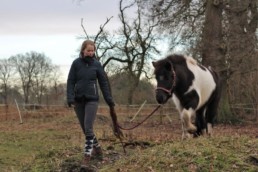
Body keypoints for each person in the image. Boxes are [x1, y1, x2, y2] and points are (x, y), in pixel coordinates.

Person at [66, 40, 115, 167]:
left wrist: (109, 99)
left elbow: (103, 83)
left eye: (93, 51)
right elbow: (70, 81)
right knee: (86, 129)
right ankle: (98, 148)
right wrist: (70, 98)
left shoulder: (97, 65)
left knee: (88, 127)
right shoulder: (76, 63)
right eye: (88, 50)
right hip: (78, 100)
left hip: (92, 100)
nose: (91, 53)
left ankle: (87, 156)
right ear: (83, 50)